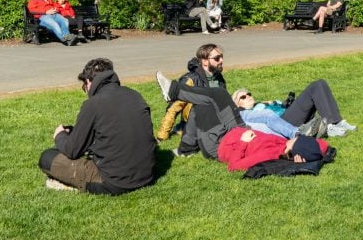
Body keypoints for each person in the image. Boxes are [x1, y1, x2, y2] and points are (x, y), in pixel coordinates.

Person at [38, 58, 156, 194]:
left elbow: (72, 150)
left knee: (47, 158)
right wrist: (75, 131)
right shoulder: (135, 95)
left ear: (88, 82)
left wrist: (60, 135)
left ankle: (72, 185)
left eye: (84, 86)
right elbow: (114, 129)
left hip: (114, 182)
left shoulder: (93, 104)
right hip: (146, 175)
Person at [155, 43, 233, 154]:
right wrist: (162, 136)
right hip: (195, 121)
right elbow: (174, 108)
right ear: (204, 61)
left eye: (221, 57)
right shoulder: (191, 79)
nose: (221, 60)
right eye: (217, 58)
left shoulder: (218, 77)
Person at [217, 128, 328, 172]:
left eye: (296, 140)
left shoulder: (270, 155)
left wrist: (243, 141)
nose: (295, 137)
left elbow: (233, 166)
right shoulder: (284, 145)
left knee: (210, 97)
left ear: (294, 149)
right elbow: (323, 144)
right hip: (235, 130)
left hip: (223, 141)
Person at [231, 88, 298, 138]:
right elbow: (266, 116)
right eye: (243, 97)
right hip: (243, 113)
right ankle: (296, 134)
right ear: (237, 104)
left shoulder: (260, 104)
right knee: (266, 115)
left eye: (249, 94)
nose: (248, 96)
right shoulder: (243, 113)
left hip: (288, 122)